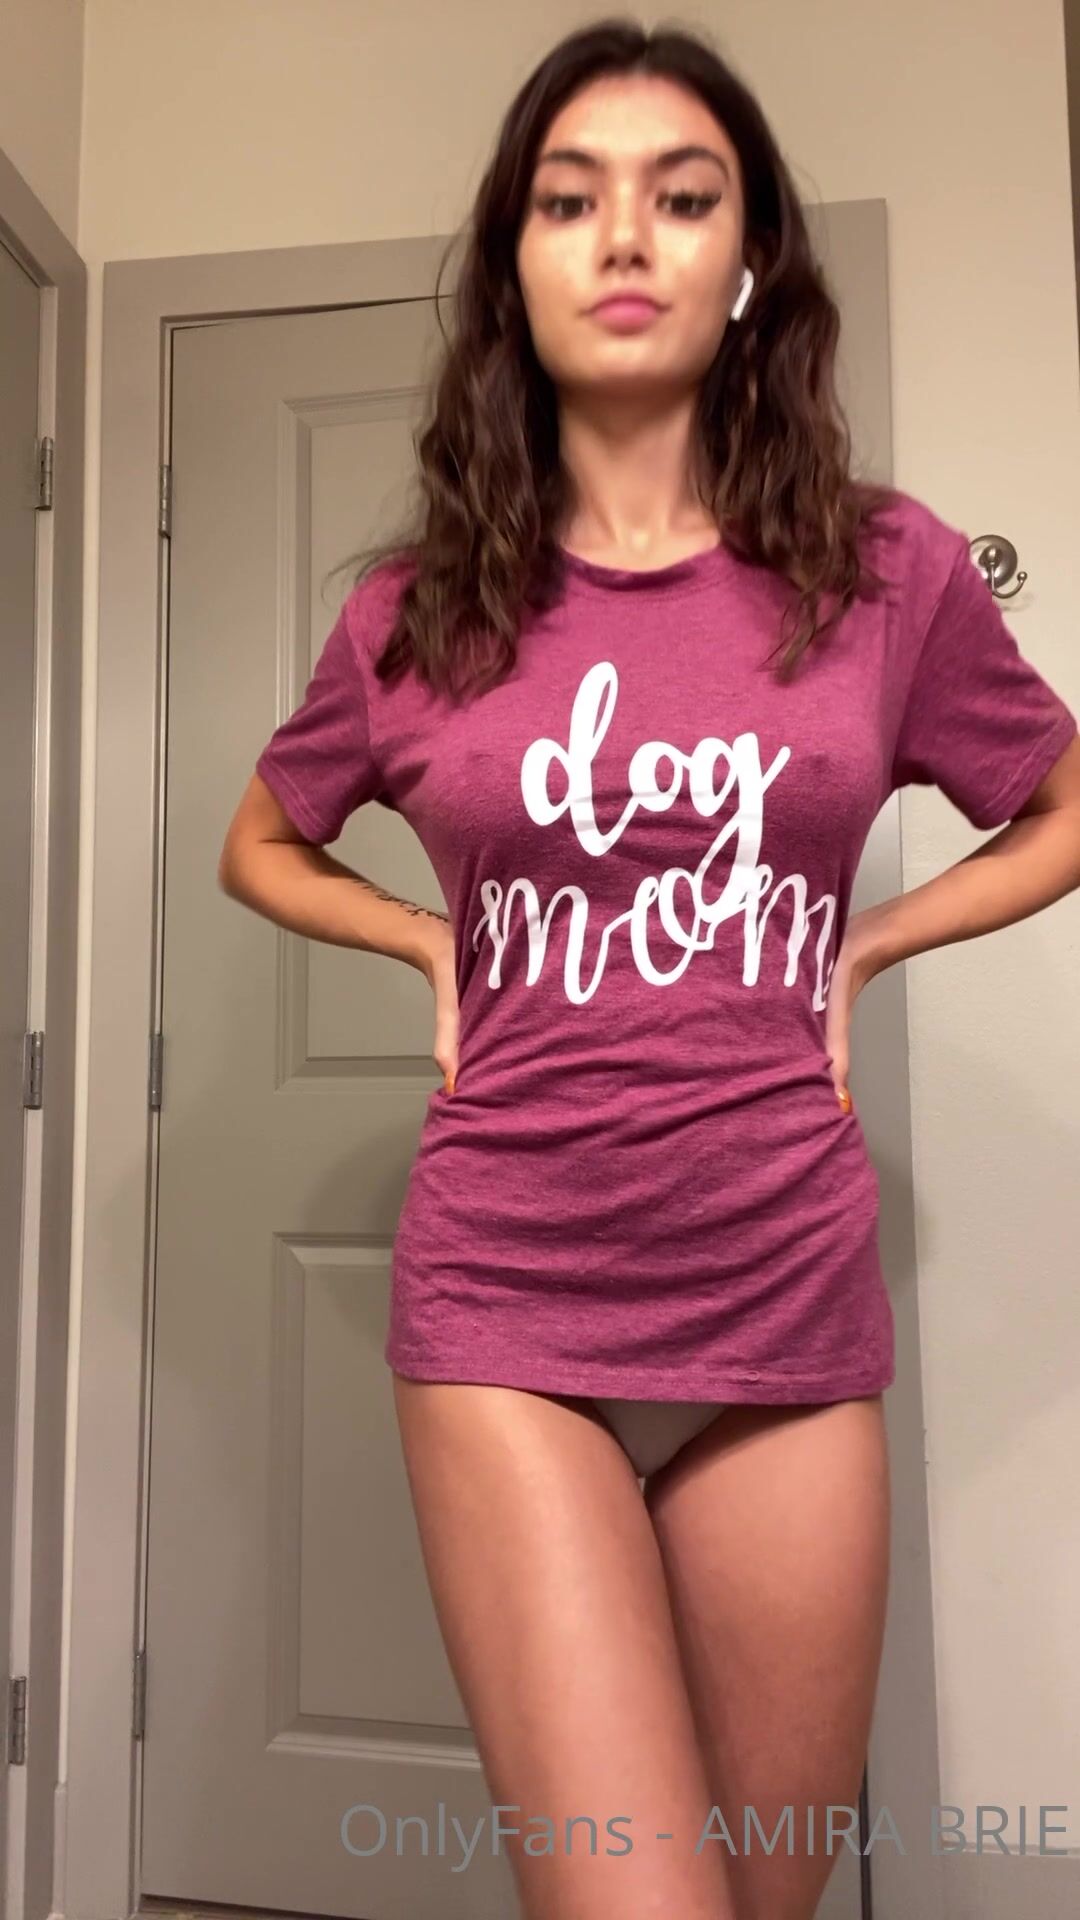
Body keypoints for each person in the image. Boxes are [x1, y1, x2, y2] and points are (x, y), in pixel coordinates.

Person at [219, 19, 1080, 1920]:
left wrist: (875, 944)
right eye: (569, 199)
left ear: (749, 260)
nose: (626, 236)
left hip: (786, 1293)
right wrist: (420, 937)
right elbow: (259, 844)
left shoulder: (888, 574)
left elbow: (1061, 804)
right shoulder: (415, 612)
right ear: (511, 268)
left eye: (684, 198)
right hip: (507, 1294)